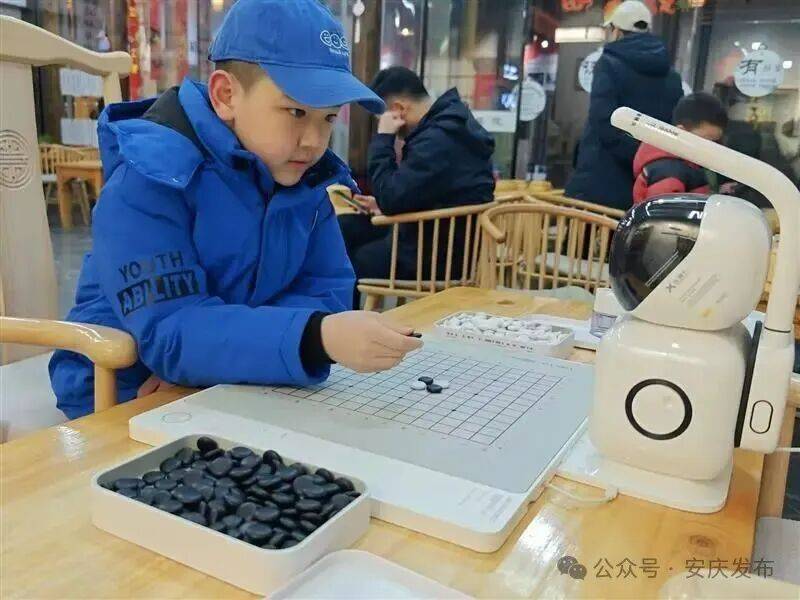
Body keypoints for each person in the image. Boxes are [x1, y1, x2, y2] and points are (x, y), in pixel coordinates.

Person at [48, 0, 422, 419]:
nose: (314, 141)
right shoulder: (152, 175)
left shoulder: (305, 180)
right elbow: (170, 329)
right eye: (296, 111)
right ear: (226, 95)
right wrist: (311, 336)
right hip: (120, 386)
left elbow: (327, 288)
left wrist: (217, 362)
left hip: (229, 381)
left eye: (329, 117)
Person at [338, 67, 495, 306]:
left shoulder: (436, 140)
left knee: (353, 259)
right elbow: (429, 190)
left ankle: (343, 321)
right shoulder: (451, 128)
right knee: (346, 227)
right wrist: (382, 203)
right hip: (441, 239)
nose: (380, 124)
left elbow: (391, 198)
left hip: (433, 257)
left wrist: (383, 138)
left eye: (380, 117)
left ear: (398, 109)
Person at [565, 0, 683, 210]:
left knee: (588, 229)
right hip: (645, 181)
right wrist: (643, 156)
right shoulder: (671, 75)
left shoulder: (608, 64)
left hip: (600, 179)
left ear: (616, 30)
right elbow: (671, 127)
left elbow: (603, 121)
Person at [632, 92, 728, 204]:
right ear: (681, 133)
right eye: (706, 141)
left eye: (715, 142)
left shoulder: (687, 163)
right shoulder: (669, 172)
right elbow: (665, 212)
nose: (712, 148)